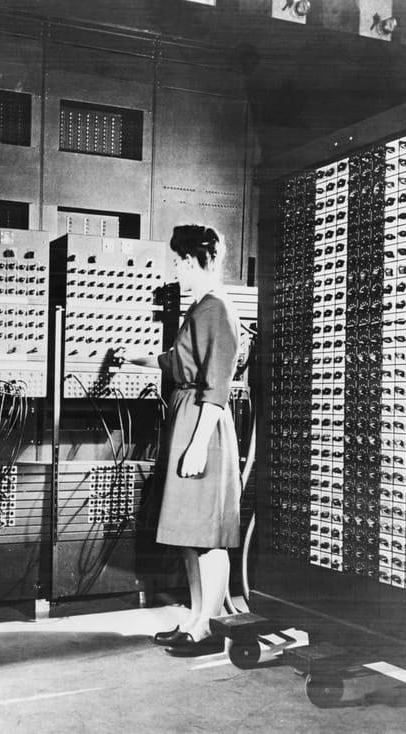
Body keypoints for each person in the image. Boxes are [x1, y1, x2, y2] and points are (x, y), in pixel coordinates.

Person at [123, 224, 240, 655]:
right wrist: (137, 358)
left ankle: (208, 628)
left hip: (202, 426)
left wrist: (196, 443)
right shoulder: (200, 308)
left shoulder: (216, 309)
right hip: (187, 417)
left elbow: (217, 384)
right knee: (188, 533)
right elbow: (177, 362)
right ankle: (195, 618)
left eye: (178, 261)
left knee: (206, 534)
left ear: (195, 261)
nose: (175, 270)